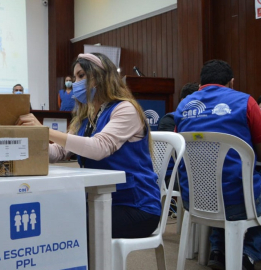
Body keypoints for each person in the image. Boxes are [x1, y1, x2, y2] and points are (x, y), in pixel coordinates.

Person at [16, 53, 161, 238]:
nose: (75, 83)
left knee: (67, 224)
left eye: (81, 76)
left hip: (136, 207)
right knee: (52, 214)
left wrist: (44, 131)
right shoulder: (87, 116)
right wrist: (23, 148)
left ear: (100, 76)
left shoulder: (125, 109)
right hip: (101, 201)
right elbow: (58, 152)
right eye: (75, 77)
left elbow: (98, 148)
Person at [173, 59, 261, 269]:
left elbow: (179, 145)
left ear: (201, 83)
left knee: (222, 182)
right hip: (238, 200)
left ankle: (218, 250)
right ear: (231, 82)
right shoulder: (246, 102)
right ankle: (248, 252)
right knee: (236, 182)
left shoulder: (183, 106)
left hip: (194, 198)